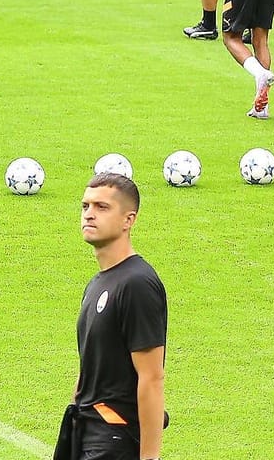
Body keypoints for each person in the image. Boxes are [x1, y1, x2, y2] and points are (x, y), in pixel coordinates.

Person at [60, 173, 165, 460]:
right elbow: (91, 365)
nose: (89, 215)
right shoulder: (97, 283)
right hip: (86, 431)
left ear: (128, 220)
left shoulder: (137, 284)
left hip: (115, 437)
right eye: (85, 206)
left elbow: (152, 377)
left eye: (101, 207)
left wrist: (150, 457)